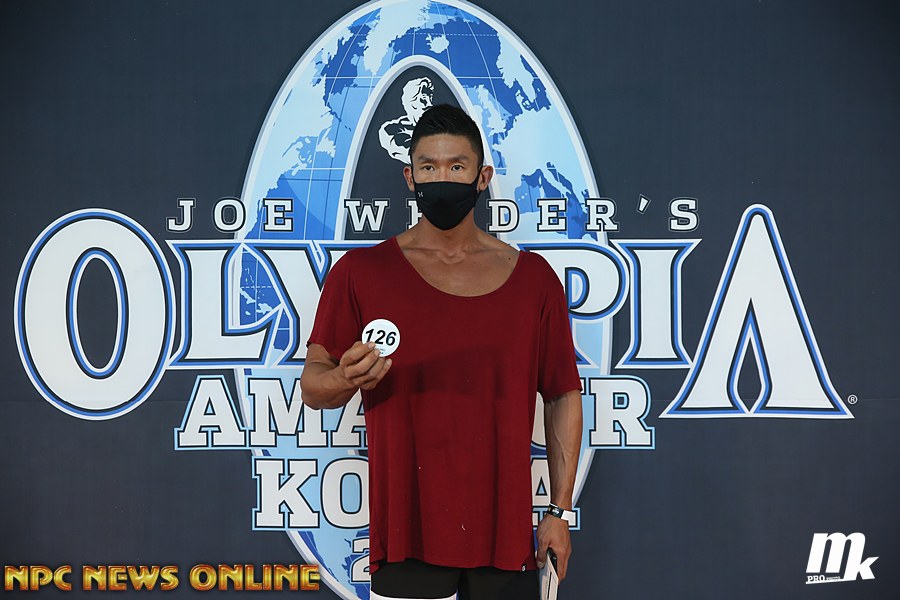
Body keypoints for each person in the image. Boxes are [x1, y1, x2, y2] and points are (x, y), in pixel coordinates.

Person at [301, 104, 582, 600]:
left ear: (482, 177)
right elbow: (313, 387)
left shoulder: (534, 279)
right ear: (409, 177)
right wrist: (346, 378)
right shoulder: (361, 273)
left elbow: (562, 394)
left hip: (505, 540)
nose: (442, 178)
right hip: (405, 537)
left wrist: (558, 512)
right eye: (429, 167)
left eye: (456, 166)